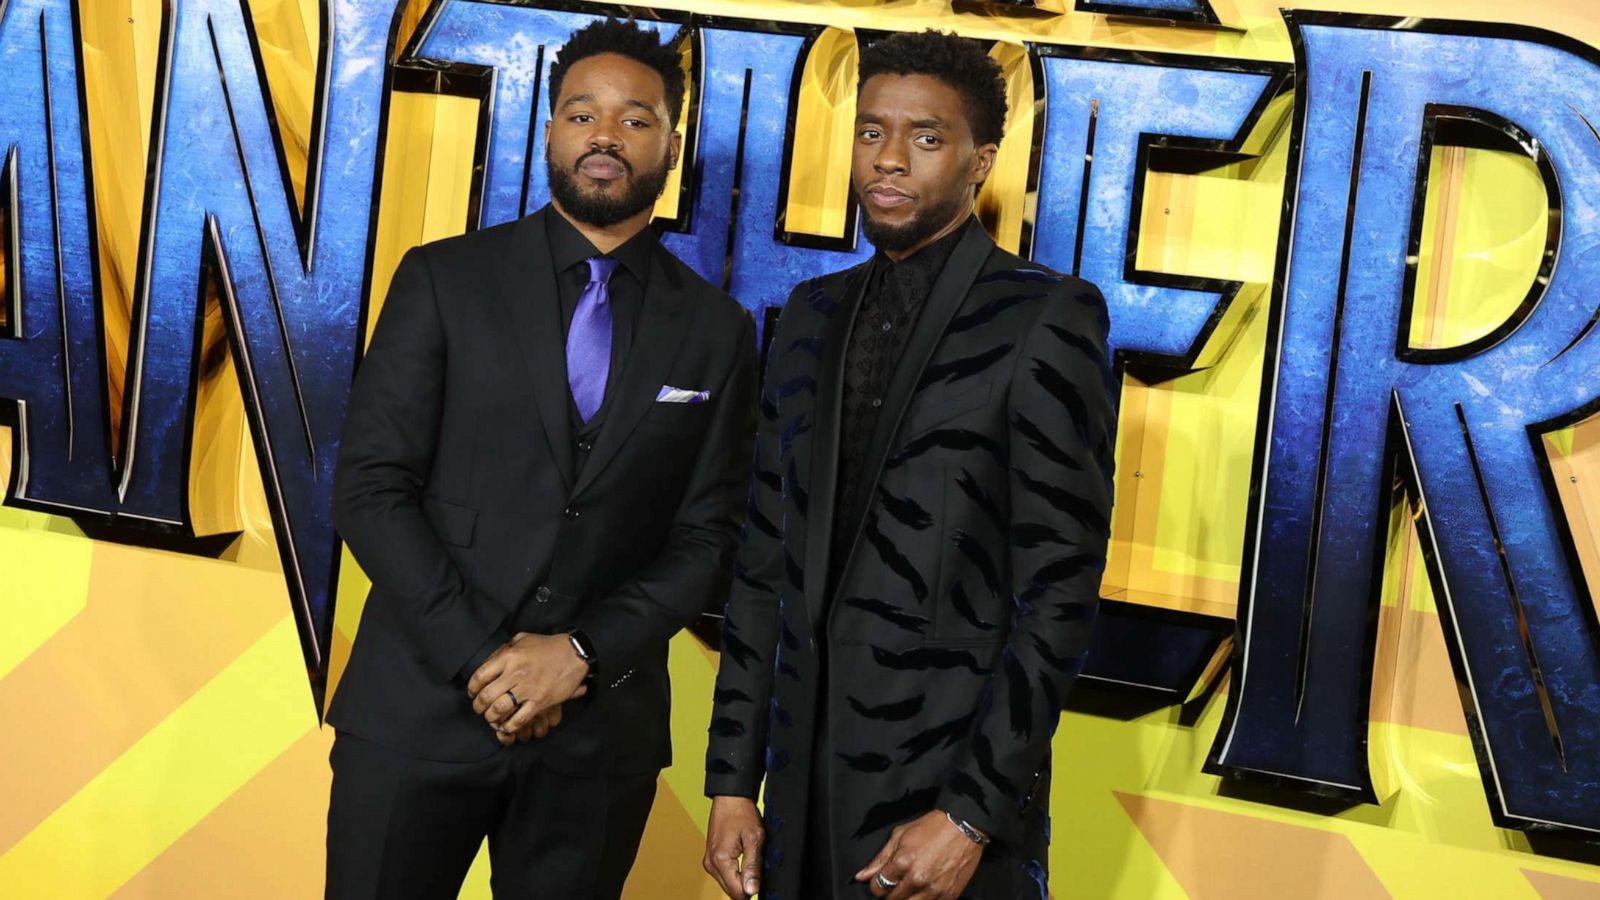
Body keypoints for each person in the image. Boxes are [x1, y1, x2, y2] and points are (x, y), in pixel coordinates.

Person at [326, 18, 757, 900]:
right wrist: (488, 659)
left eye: (635, 119)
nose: (605, 135)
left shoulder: (717, 330)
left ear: (672, 144)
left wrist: (581, 655)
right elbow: (372, 488)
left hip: (599, 743)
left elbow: (708, 539)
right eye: (581, 114)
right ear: (550, 131)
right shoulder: (444, 279)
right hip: (416, 711)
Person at [703, 29, 1116, 900]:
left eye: (926, 138)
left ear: (981, 163)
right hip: (800, 804)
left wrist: (971, 815)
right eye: (870, 131)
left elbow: (1060, 595)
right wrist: (734, 781)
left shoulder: (1045, 316)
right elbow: (762, 564)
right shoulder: (810, 315)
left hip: (941, 816)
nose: (889, 160)